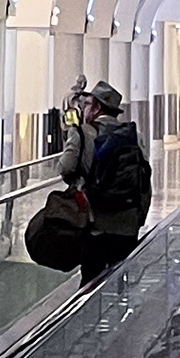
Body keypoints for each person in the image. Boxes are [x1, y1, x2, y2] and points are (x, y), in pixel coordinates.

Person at [74, 83, 151, 286]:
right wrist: (139, 216)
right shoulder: (133, 135)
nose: (84, 108)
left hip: (95, 223)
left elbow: (65, 169)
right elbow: (144, 175)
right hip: (127, 223)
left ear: (97, 108)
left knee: (91, 281)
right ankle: (119, 315)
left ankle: (86, 317)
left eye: (88, 104)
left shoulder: (84, 134)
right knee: (120, 279)